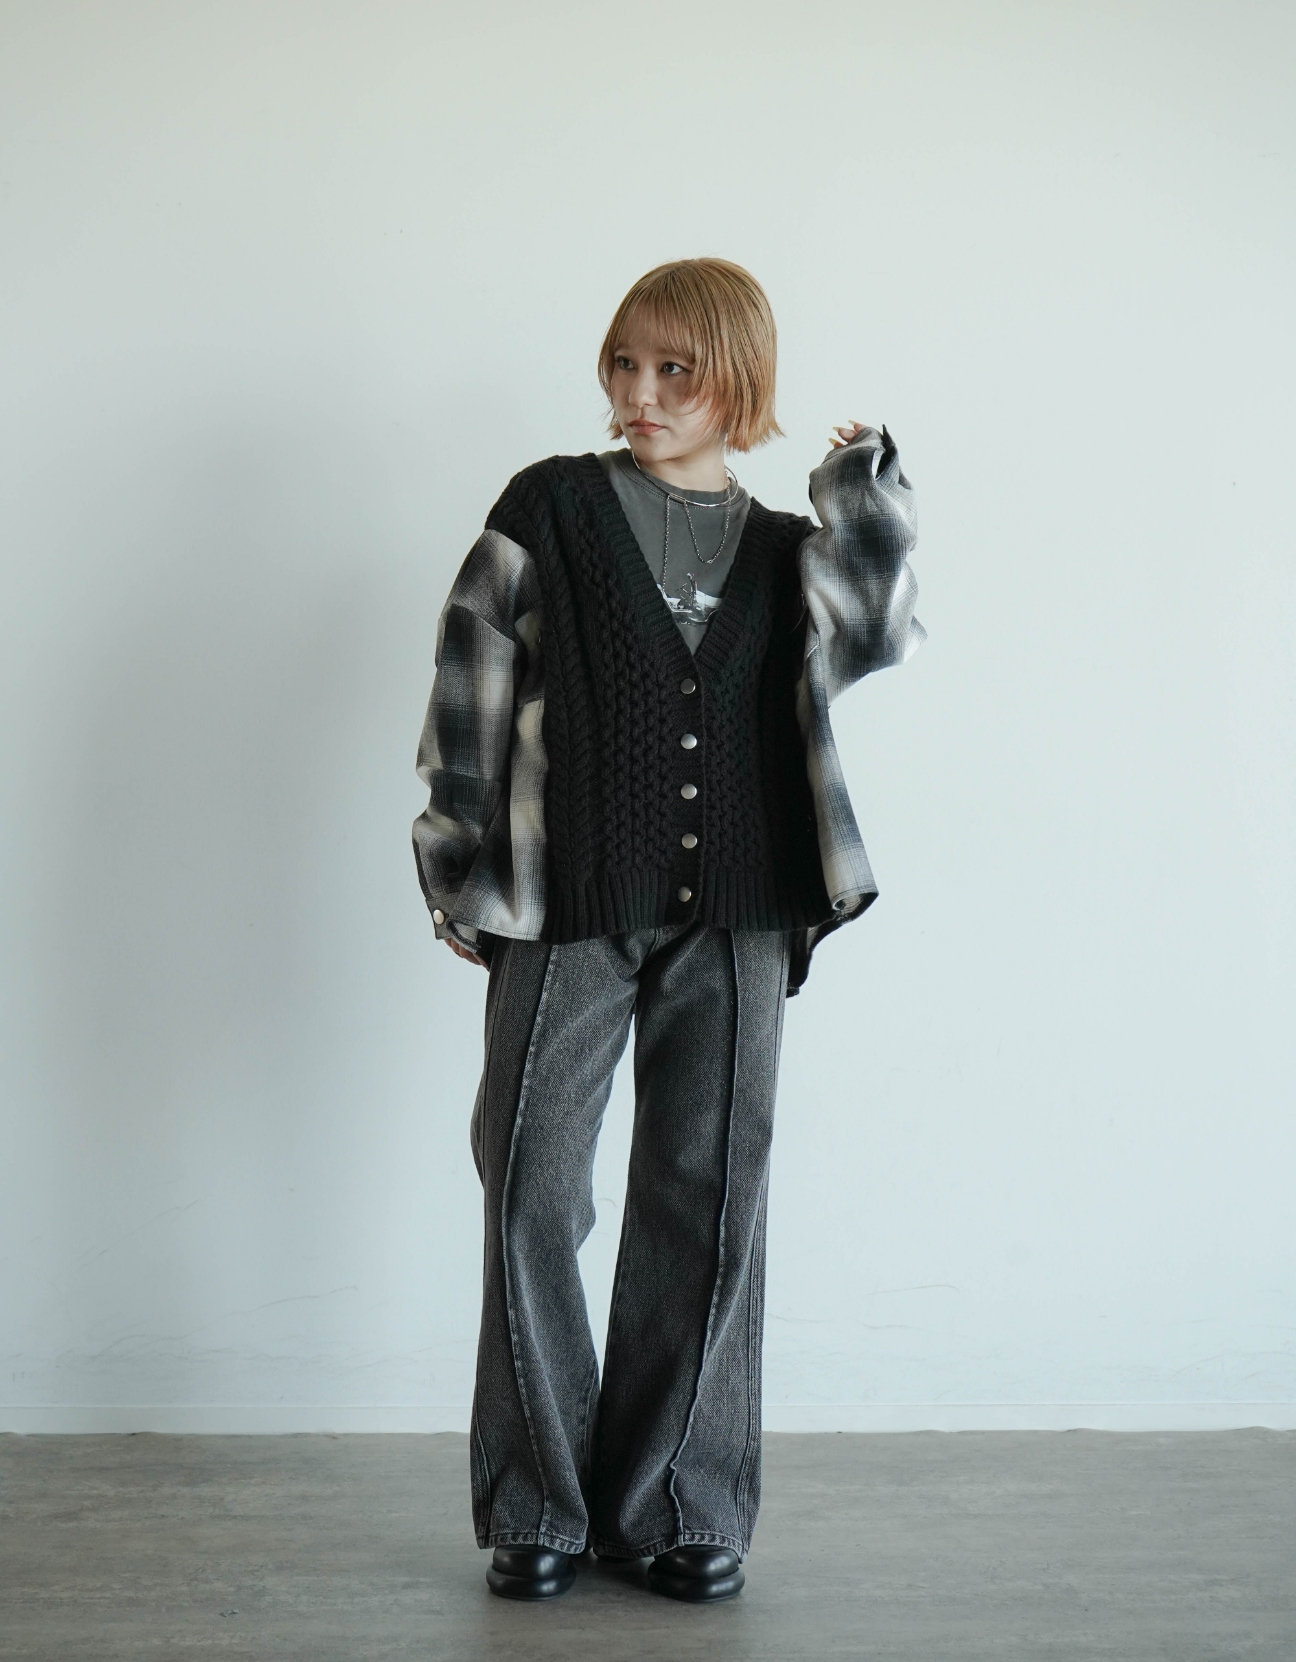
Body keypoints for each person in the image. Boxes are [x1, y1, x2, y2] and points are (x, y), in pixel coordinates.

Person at [412, 258, 923, 1603]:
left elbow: (876, 633)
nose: (641, 393)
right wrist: (455, 860)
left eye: (675, 370)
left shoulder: (787, 550)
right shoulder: (551, 506)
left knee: (708, 1200)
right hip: (568, 900)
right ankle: (540, 1503)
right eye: (625, 364)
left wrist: (864, 492)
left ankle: (681, 1502)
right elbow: (471, 676)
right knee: (531, 1184)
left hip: (742, 907)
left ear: (736, 382)